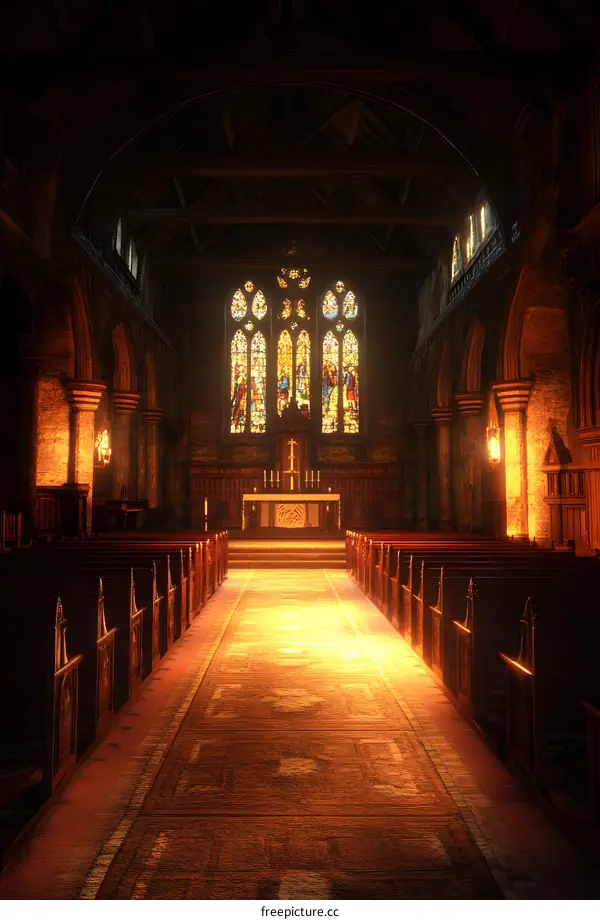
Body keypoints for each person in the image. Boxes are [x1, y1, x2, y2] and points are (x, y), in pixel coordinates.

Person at [231, 364, 246, 430]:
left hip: (243, 394)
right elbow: (236, 387)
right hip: (239, 395)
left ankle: (240, 420)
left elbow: (244, 385)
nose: (241, 369)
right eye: (240, 368)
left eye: (242, 368)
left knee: (242, 407)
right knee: (237, 407)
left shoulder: (243, 377)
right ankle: (235, 422)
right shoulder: (237, 378)